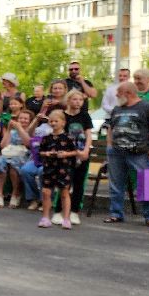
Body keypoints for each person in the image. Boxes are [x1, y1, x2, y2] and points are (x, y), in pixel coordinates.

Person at [103, 80, 149, 226]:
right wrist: (109, 145)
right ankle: (116, 213)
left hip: (140, 153)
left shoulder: (147, 106)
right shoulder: (117, 108)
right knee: (116, 184)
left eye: (119, 93)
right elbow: (111, 127)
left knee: (148, 183)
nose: (116, 95)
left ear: (128, 93)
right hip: (116, 153)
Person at [36, 110, 79, 230]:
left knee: (64, 193)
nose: (53, 123)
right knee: (46, 192)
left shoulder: (69, 137)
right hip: (49, 168)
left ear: (63, 122)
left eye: (56, 121)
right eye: (51, 121)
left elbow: (75, 151)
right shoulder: (46, 138)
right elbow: (40, 152)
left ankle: (66, 218)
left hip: (64, 168)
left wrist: (65, 154)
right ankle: (45, 217)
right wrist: (47, 153)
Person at [58, 89, 94, 226]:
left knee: (79, 183)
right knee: (64, 183)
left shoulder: (85, 116)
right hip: (65, 154)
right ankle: (59, 210)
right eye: (75, 99)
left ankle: (74, 211)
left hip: (81, 153)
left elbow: (89, 135)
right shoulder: (62, 115)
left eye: (80, 100)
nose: (78, 102)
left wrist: (86, 150)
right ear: (68, 100)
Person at [0, 107, 34, 208]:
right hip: (8, 153)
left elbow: (28, 143)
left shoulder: (31, 130)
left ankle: (15, 194)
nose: (23, 120)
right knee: (0, 162)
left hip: (23, 155)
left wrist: (19, 128)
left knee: (14, 166)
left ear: (30, 121)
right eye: (21, 118)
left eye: (26, 119)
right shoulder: (12, 130)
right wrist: (9, 129)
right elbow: (3, 145)